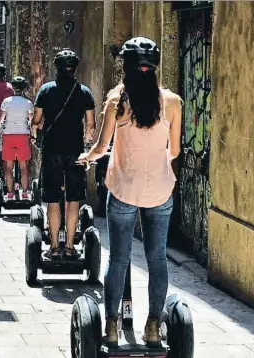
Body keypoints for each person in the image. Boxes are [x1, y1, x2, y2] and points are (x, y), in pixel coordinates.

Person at [77, 37, 183, 347]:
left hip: (122, 190)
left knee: (119, 259)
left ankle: (111, 326)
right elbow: (174, 151)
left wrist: (87, 157)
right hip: (160, 191)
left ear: (126, 66)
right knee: (157, 259)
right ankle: (152, 326)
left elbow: (100, 147)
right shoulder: (173, 102)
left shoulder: (117, 102)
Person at [31, 49, 96, 258]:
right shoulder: (84, 92)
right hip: (75, 152)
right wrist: (86, 144)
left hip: (52, 150)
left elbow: (36, 120)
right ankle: (69, 247)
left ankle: (53, 248)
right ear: (75, 68)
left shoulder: (46, 90)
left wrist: (35, 136)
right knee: (73, 199)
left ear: (56, 68)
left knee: (52, 199)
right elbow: (91, 124)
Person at [0, 76, 33, 200]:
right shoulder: (28, 103)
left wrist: (1, 123)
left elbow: (0, 119)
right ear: (23, 89)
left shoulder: (6, 101)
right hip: (23, 135)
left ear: (13, 87)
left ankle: (10, 193)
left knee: (8, 166)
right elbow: (31, 120)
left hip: (9, 134)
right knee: (24, 165)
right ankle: (24, 193)